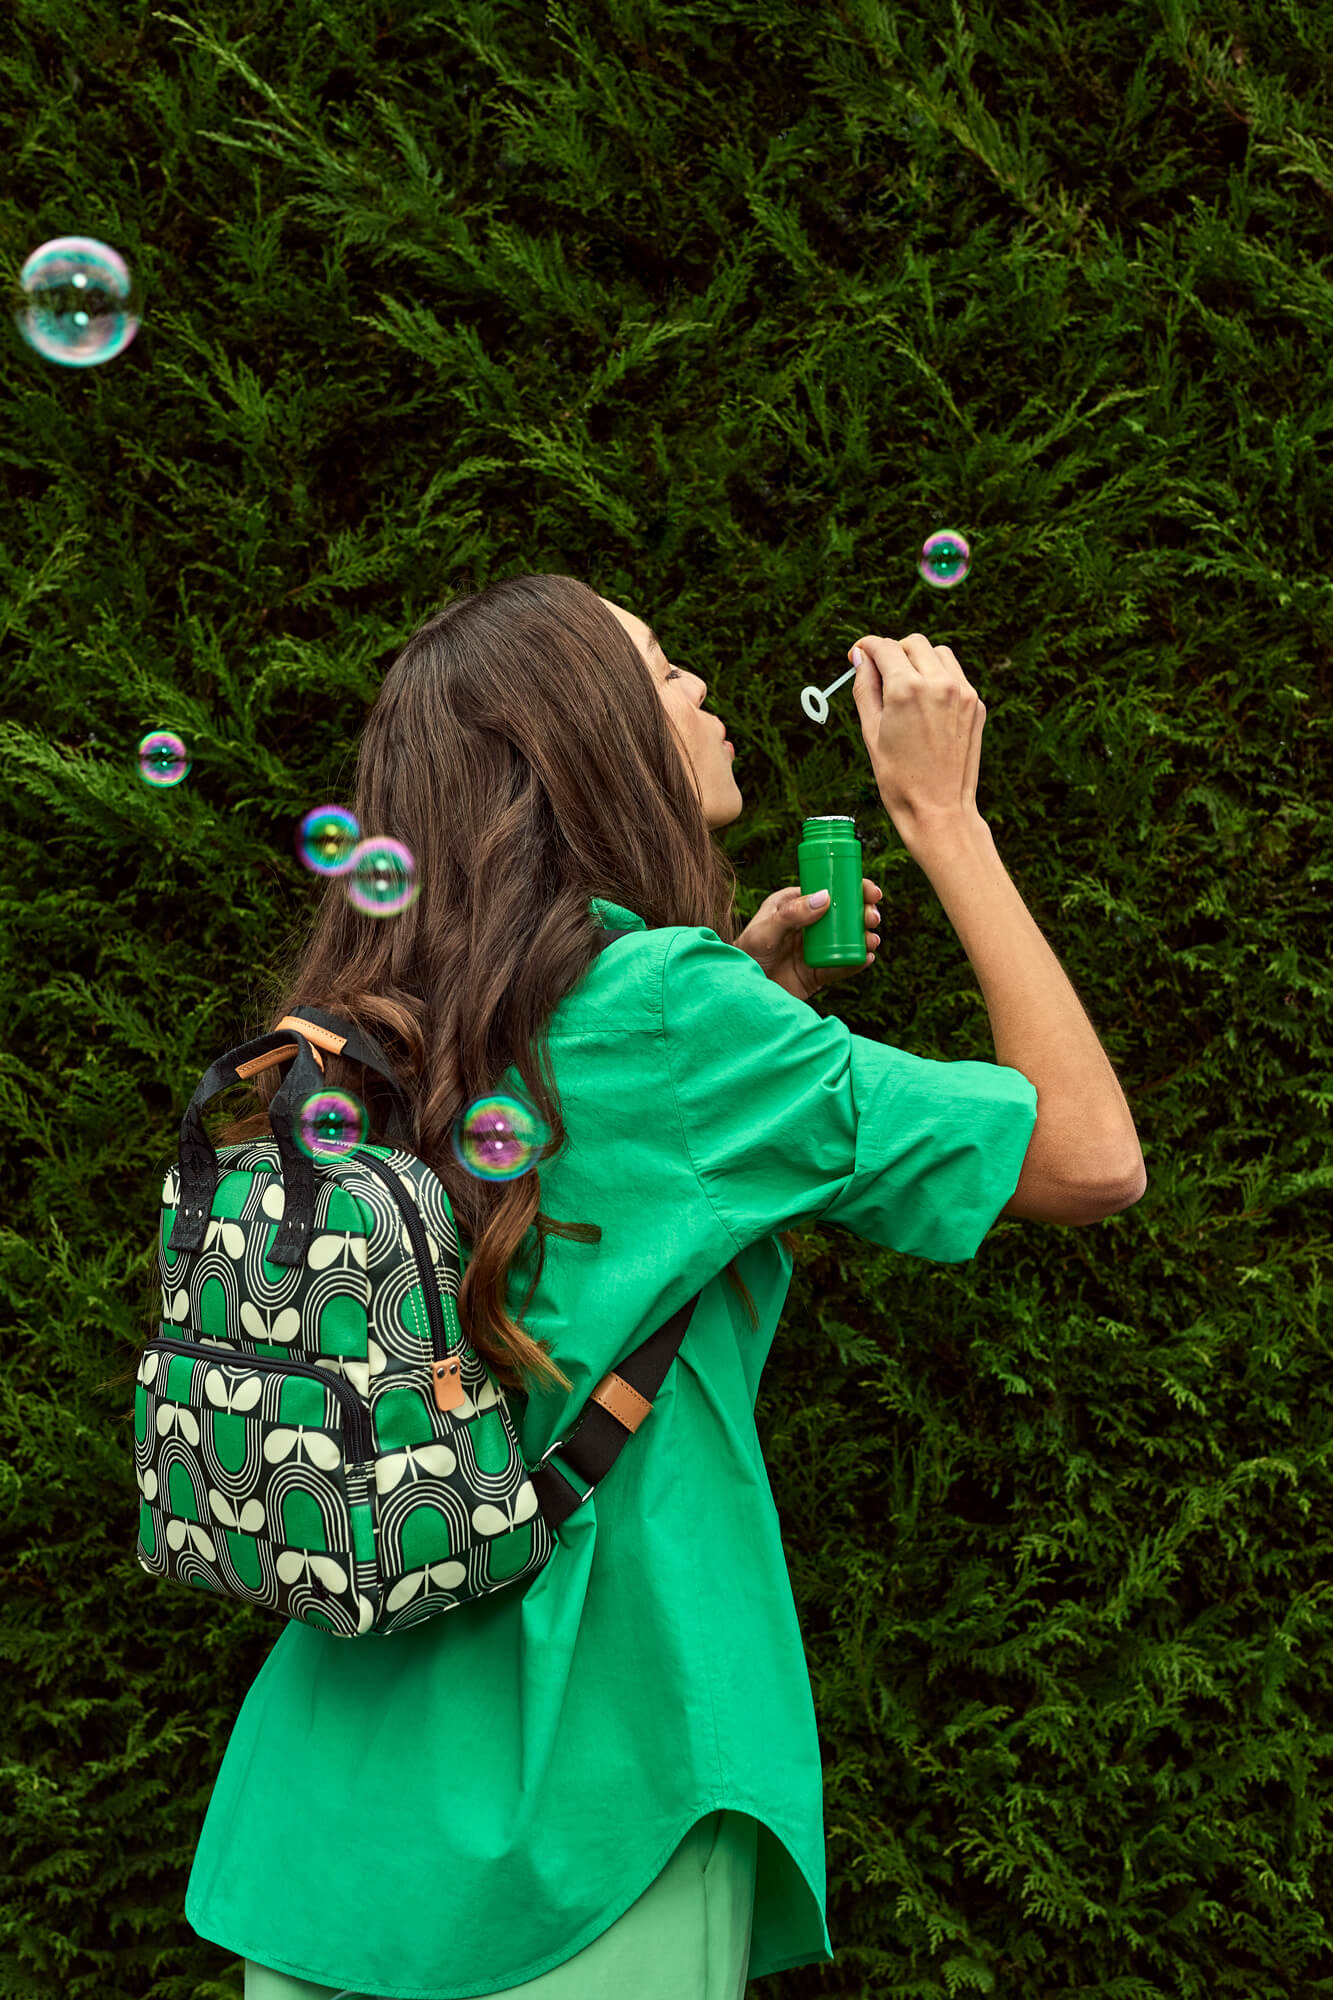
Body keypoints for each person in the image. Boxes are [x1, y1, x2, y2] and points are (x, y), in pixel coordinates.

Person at [186, 574, 1146, 2000]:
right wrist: (947, 817)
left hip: (330, 1820)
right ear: (577, 733)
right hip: (583, 1792)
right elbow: (1087, 1156)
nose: (698, 685)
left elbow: (592, 1194)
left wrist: (755, 1008)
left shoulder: (368, 1025)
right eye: (657, 661)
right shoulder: (671, 1015)